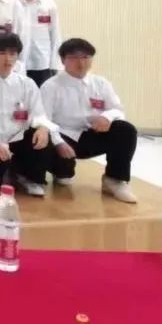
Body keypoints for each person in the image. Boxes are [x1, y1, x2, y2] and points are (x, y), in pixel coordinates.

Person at [41, 38, 138, 203]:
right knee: (65, 178)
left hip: (93, 133)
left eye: (85, 57)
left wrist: (106, 117)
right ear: (63, 60)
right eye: (74, 57)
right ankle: (61, 171)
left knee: (125, 129)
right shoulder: (51, 86)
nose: (81, 63)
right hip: (64, 136)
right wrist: (59, 143)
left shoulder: (101, 83)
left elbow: (118, 110)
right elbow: (44, 121)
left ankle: (114, 179)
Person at [0, 33, 58, 197]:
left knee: (42, 134)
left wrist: (42, 128)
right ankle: (11, 170)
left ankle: (32, 178)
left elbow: (38, 112)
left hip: (19, 139)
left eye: (12, 53)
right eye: (2, 53)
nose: (7, 58)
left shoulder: (27, 83)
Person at [16, 0, 61, 86]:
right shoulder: (13, 4)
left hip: (42, 61)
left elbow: (55, 34)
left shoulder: (48, 4)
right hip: (19, 61)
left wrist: (55, 63)